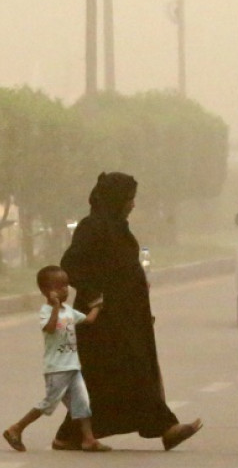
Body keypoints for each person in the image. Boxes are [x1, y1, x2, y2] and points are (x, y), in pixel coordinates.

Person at [52, 172, 202, 452]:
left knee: (123, 375)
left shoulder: (118, 227)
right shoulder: (92, 227)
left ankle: (71, 434)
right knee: (121, 374)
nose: (132, 205)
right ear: (116, 199)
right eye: (129, 199)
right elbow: (70, 264)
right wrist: (95, 294)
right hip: (103, 321)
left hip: (127, 318)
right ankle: (166, 427)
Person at [2, 265, 112, 453]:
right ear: (47, 291)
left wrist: (97, 307)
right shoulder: (46, 311)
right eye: (59, 286)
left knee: (82, 403)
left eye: (66, 285)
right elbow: (50, 328)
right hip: (56, 368)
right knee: (49, 403)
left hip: (73, 366)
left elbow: (87, 320)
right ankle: (16, 428)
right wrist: (54, 308)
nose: (65, 290)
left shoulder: (69, 311)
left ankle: (88, 439)